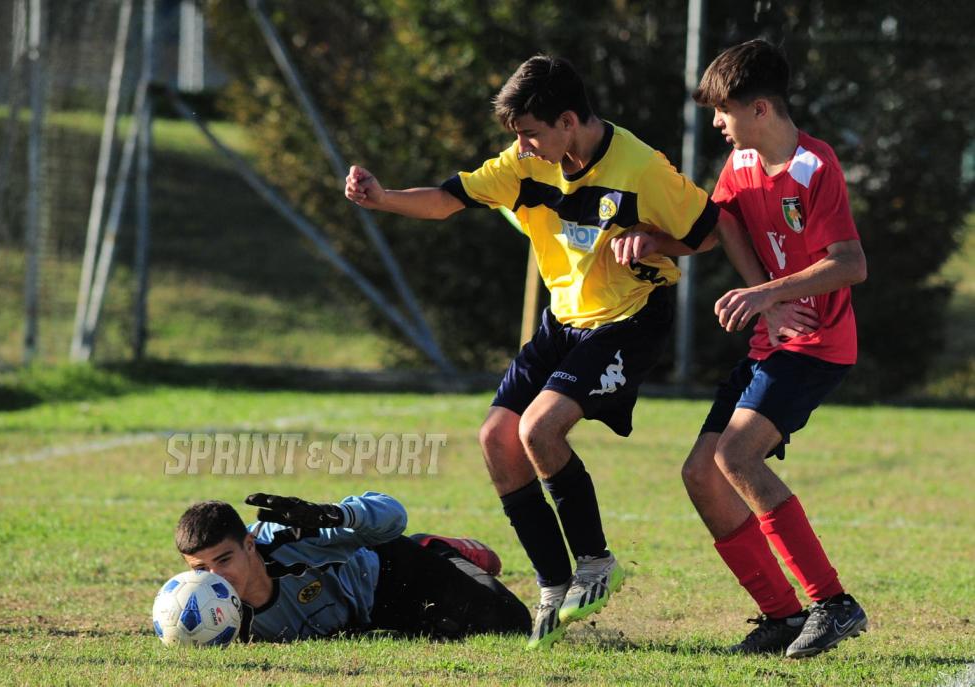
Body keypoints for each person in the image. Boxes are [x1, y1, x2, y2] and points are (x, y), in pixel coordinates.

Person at [344, 55, 755, 649]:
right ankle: (554, 583)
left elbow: (707, 233)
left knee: (539, 429)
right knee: (496, 437)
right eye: (517, 136)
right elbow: (447, 198)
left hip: (628, 320)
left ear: (568, 121)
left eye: (531, 133)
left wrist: (652, 239)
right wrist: (382, 198)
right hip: (563, 321)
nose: (522, 146)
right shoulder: (525, 163)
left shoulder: (641, 168)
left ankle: (596, 563)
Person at [675, 39, 869, 658]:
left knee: (735, 455)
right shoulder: (740, 164)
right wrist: (649, 240)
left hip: (817, 344)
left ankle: (833, 604)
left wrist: (766, 294)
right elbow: (720, 226)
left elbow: (851, 264)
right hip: (772, 341)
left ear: (760, 109)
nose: (716, 123)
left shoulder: (815, 166)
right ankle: (781, 617)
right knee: (701, 474)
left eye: (723, 110)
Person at [175, 491, 530, 642]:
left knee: (510, 624)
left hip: (388, 574)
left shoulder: (291, 537)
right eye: (201, 568)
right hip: (361, 622)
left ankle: (436, 548)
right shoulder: (200, 608)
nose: (215, 577)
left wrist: (333, 515)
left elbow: (393, 512)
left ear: (250, 544)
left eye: (224, 560)